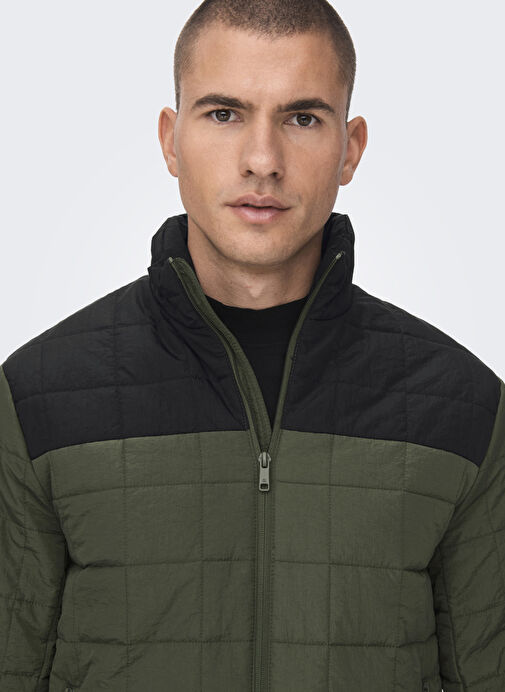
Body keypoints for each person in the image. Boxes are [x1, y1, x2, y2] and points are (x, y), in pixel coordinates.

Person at [0, 0, 503, 690]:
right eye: (224, 114)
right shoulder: (36, 400)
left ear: (350, 148)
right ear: (170, 140)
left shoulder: (465, 409)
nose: (262, 160)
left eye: (302, 119)